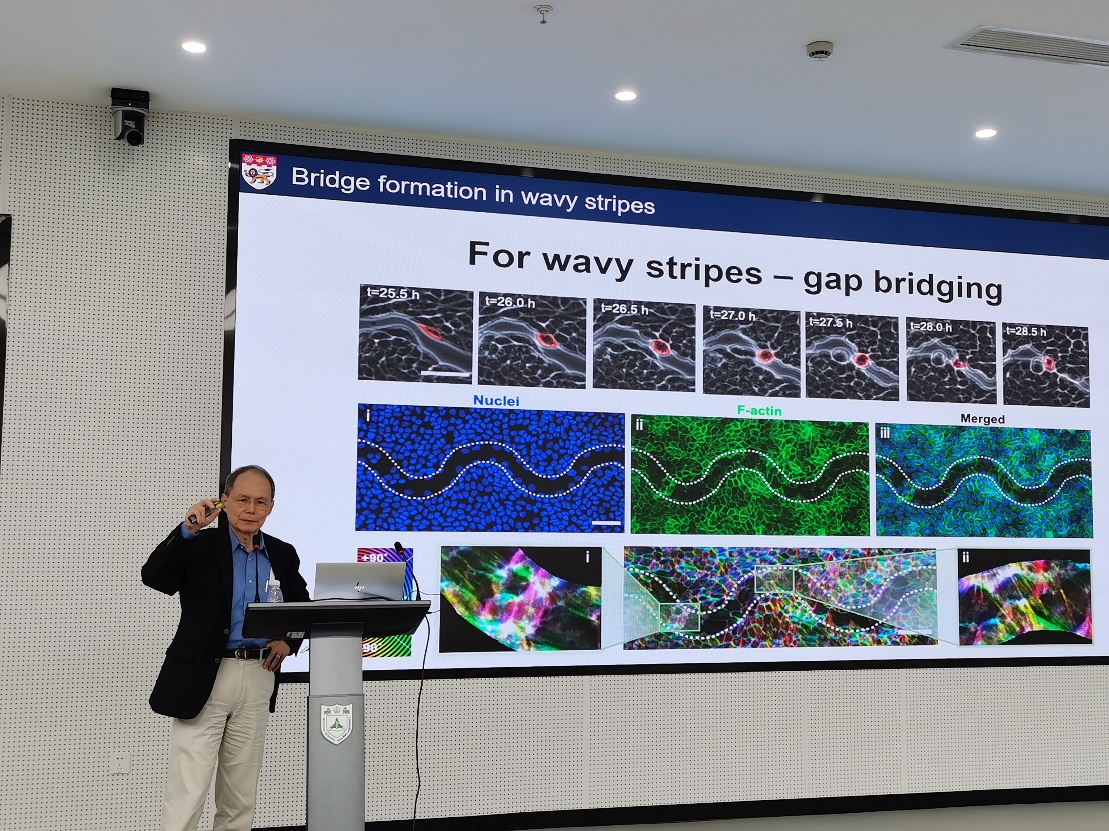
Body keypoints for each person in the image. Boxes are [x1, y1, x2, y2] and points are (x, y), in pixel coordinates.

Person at [142, 465, 310, 831]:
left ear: (271, 507)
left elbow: (302, 607)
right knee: (188, 791)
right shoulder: (199, 545)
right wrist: (187, 530)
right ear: (224, 501)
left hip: (258, 675)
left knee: (240, 794)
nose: (251, 509)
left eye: (260, 502)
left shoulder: (282, 553)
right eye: (242, 499)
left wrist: (290, 640)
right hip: (205, 675)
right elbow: (153, 577)